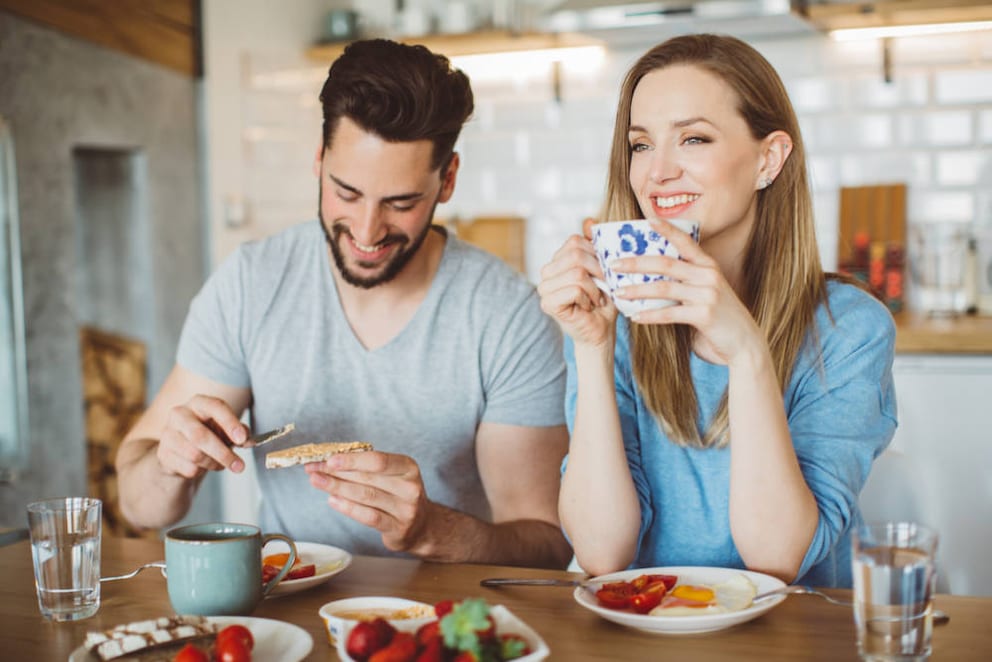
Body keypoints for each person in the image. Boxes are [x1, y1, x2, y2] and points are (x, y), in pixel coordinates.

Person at [116, 39, 572, 569]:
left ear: (447, 180)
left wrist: (430, 528)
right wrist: (171, 463)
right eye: (347, 192)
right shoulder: (252, 283)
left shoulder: (507, 316)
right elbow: (138, 505)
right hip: (286, 607)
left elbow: (546, 545)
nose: (366, 231)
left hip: (439, 626)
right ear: (319, 158)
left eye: (400, 203)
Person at [538, 34, 896, 587]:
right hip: (647, 628)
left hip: (796, 637)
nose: (656, 173)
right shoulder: (616, 318)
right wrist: (591, 347)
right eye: (640, 145)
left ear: (768, 159)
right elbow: (602, 553)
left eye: (693, 139)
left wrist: (747, 351)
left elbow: (777, 559)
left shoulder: (849, 328)